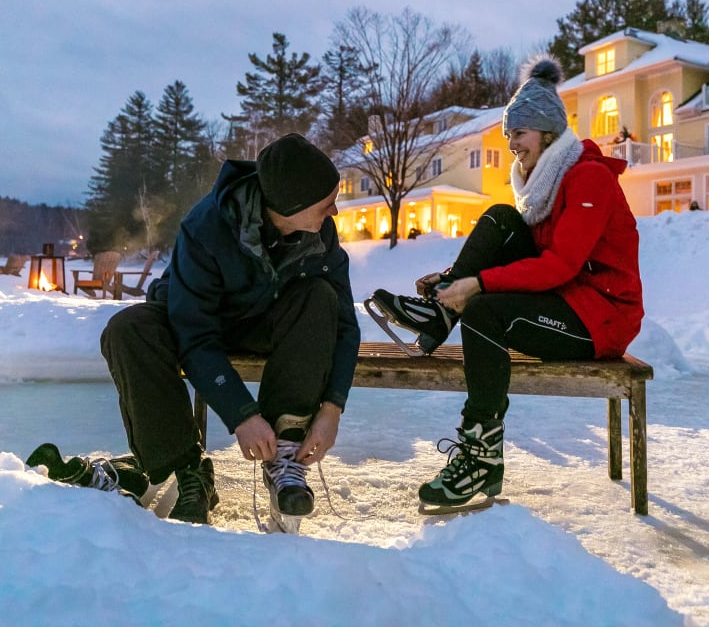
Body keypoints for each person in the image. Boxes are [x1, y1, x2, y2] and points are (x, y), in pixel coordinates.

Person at [370, 55, 644, 509]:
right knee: (500, 217)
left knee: (483, 312)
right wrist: (456, 279)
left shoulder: (588, 179)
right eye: (509, 133)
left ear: (548, 132)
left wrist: (477, 285)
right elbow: (529, 259)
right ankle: (441, 309)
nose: (511, 143)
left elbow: (560, 265)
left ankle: (481, 457)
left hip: (601, 319)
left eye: (519, 133)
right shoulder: (546, 187)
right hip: (568, 300)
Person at [97, 133, 360, 525]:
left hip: (264, 317)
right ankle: (187, 469)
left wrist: (332, 408)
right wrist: (243, 416)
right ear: (290, 206)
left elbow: (343, 323)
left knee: (319, 296)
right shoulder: (205, 228)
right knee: (128, 328)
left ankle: (286, 452)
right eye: (326, 204)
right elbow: (195, 333)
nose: (334, 212)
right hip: (196, 314)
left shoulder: (319, 230)